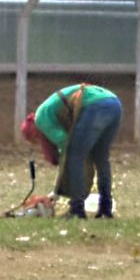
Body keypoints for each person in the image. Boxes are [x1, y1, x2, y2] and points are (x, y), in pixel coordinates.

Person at [20, 84, 122, 219]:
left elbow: (66, 148)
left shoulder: (41, 120)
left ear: (35, 133)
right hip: (114, 103)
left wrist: (56, 192)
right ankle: (105, 208)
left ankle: (77, 209)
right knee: (101, 158)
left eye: (36, 141)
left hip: (94, 106)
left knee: (75, 156)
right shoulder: (48, 113)